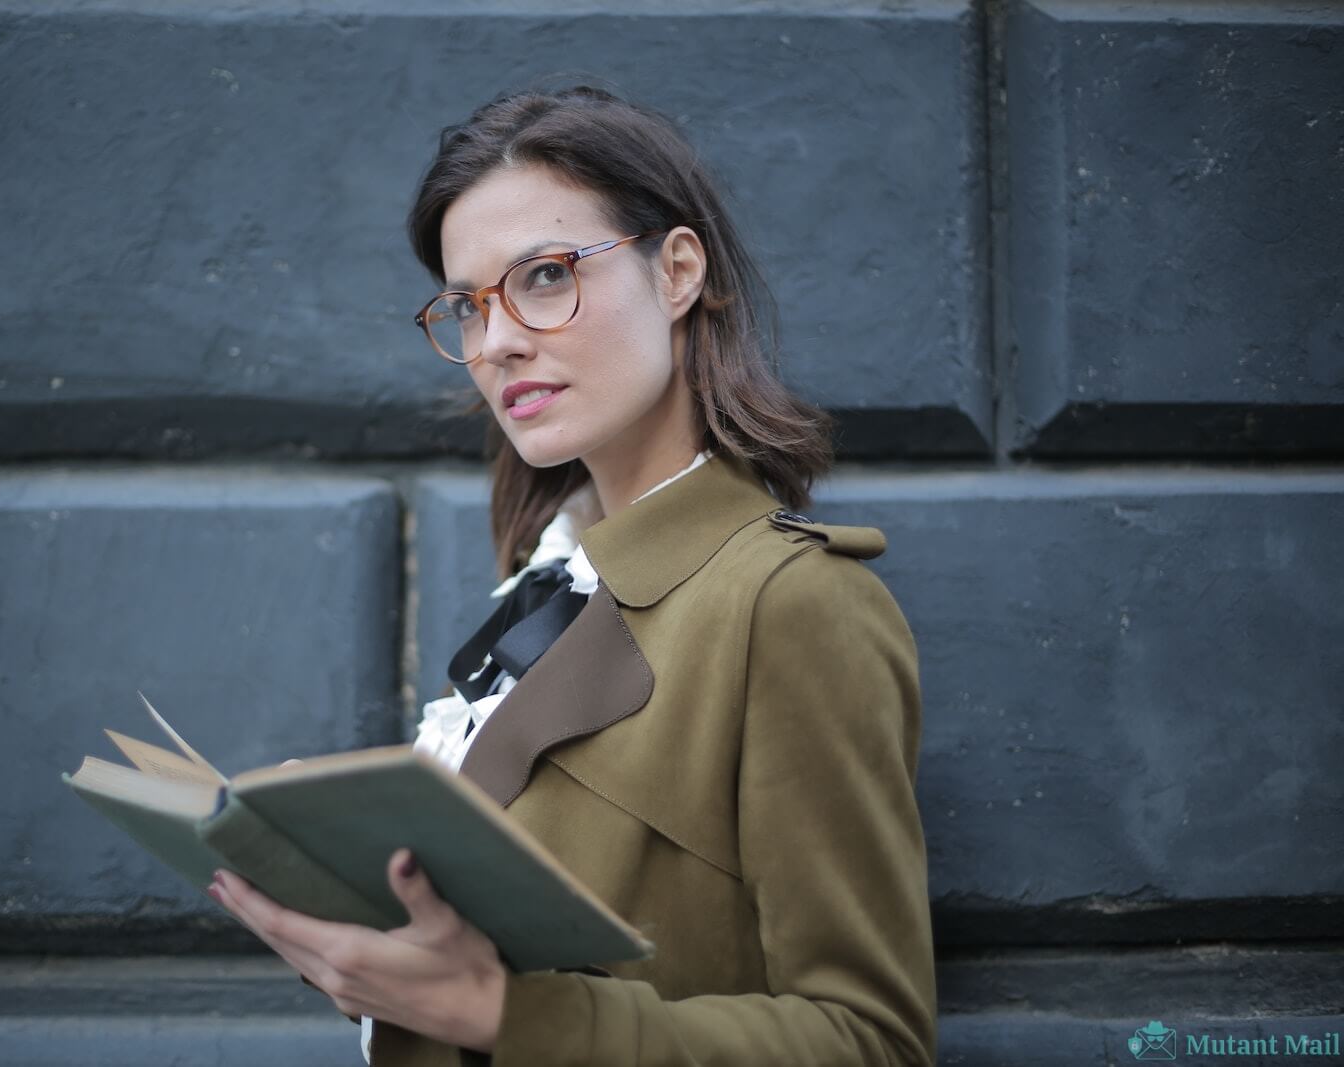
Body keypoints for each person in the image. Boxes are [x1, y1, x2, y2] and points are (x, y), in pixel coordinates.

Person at [207, 85, 937, 1066]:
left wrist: (508, 1015)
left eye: (545, 275)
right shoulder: (545, 579)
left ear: (677, 271)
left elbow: (869, 1041)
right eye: (468, 305)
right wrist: (360, 919)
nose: (496, 338)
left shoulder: (790, 602)